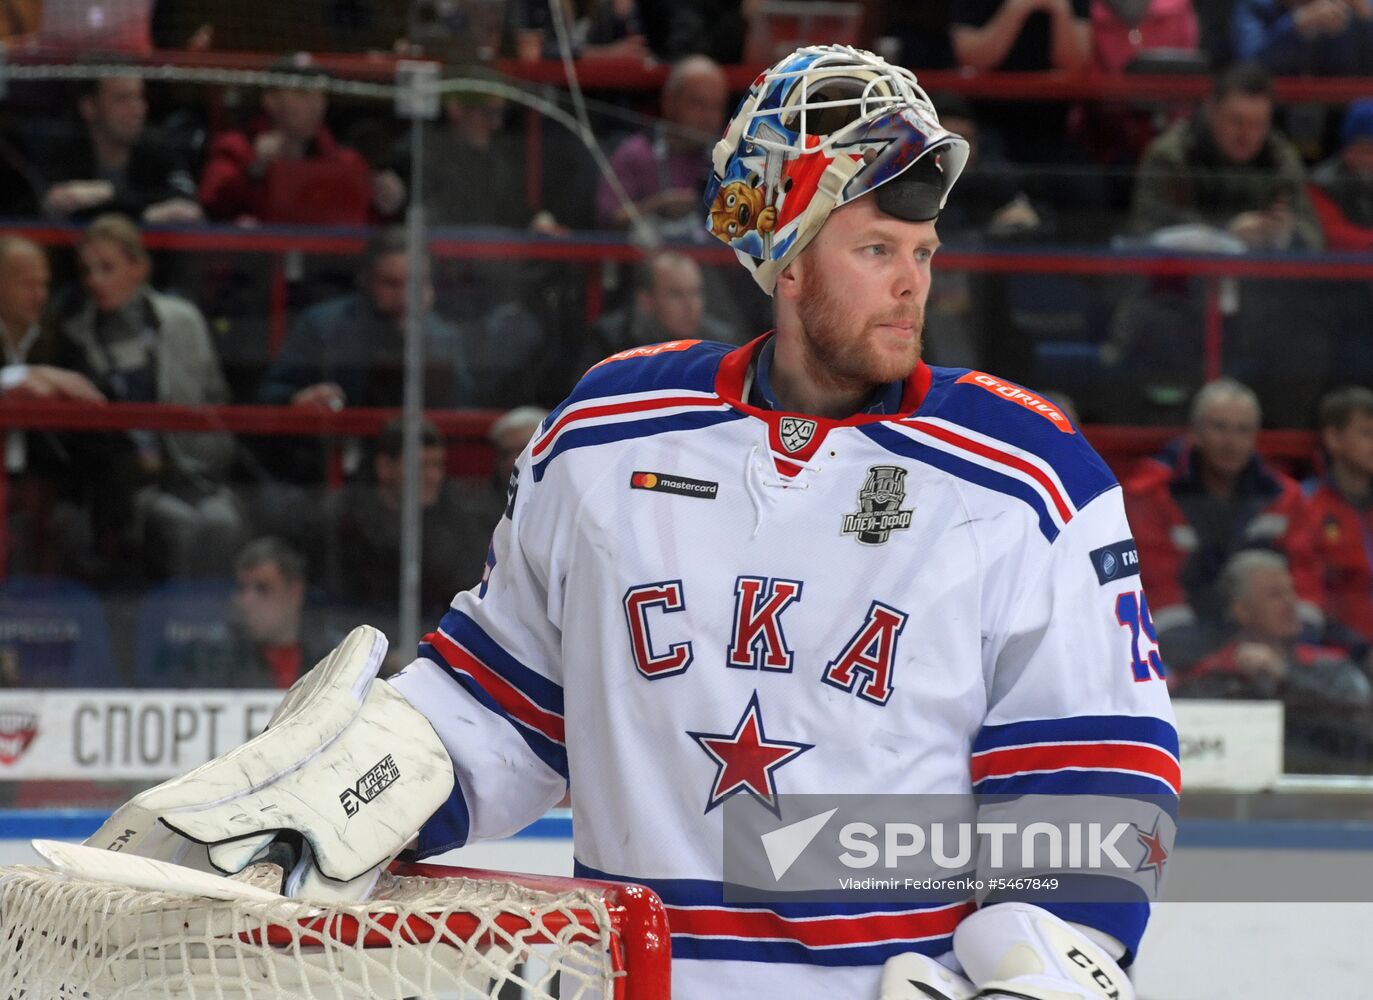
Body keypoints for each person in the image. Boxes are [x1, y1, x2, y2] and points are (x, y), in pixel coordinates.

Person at [88, 47, 1176, 1000]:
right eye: (875, 249)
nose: (911, 284)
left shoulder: (1029, 477)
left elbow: (1096, 776)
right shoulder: (607, 436)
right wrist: (337, 794)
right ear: (786, 260)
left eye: (922, 252)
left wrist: (1037, 962)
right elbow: (498, 703)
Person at [47, 214, 243, 581]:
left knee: (224, 521)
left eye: (107, 268)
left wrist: (207, 461)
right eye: (87, 270)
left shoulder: (183, 321)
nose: (95, 281)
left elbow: (216, 399)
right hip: (126, 482)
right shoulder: (76, 336)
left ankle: (216, 626)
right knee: (176, 523)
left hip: (194, 471)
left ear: (139, 267)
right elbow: (82, 439)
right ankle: (175, 626)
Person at [1123, 378, 1323, 669]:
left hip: (1275, 651)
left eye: (1243, 430)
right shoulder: (1153, 495)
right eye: (1220, 427)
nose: (1231, 442)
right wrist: (1220, 655)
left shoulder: (1285, 498)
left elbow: (1306, 581)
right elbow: (1156, 589)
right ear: (1195, 432)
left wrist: (1289, 645)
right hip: (1180, 654)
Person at [1175, 550, 1373, 770]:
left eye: (1291, 592)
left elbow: (1359, 717)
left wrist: (1286, 677)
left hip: (1325, 789)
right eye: (1274, 594)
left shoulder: (1330, 667)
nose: (1290, 603)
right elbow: (1181, 717)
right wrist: (1237, 677)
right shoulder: (1213, 671)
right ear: (1241, 610)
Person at [312, 418, 493, 631]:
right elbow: (332, 603)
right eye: (420, 466)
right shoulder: (344, 521)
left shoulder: (459, 524)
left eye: (437, 465)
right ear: (384, 467)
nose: (432, 476)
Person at [1129, 61, 1322, 251]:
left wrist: (1288, 235)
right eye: (1237, 122)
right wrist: (1226, 231)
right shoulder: (1170, 156)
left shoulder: (1280, 157)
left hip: (1260, 277)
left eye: (1258, 125)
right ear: (1211, 109)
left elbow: (1314, 237)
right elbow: (1146, 230)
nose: (1246, 136)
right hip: (1186, 274)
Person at [197, 55, 397, 225]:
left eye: (320, 93)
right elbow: (212, 205)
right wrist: (254, 170)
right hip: (256, 264)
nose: (314, 103)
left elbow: (360, 229)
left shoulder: (346, 162)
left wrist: (384, 203)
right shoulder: (237, 149)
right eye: (302, 92)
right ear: (271, 100)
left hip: (324, 267)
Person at [173, 537, 341, 689]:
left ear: (295, 592)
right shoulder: (211, 656)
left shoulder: (335, 656)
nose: (246, 601)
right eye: (241, 588)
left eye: (262, 588)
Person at [37, 75, 203, 225]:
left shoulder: (160, 148)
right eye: (122, 99)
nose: (137, 109)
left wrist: (111, 195)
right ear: (89, 107)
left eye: (139, 97)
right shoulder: (63, 152)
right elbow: (46, 205)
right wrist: (147, 212)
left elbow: (188, 208)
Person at [595, 54, 728, 236]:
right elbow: (607, 220)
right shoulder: (635, 154)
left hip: (710, 261)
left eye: (716, 107)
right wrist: (655, 208)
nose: (709, 118)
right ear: (670, 102)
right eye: (699, 104)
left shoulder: (730, 161)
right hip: (646, 259)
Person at [573, 250, 737, 379]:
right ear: (647, 300)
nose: (690, 305)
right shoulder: (610, 340)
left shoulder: (721, 344)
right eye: (676, 294)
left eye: (695, 293)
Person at [1305, 386, 1373, 642]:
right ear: (1333, 438)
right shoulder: (1306, 505)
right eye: (1367, 433)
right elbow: (1308, 595)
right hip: (1337, 652)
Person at [1233, 0, 1373, 75]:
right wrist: (1295, 24)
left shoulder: (1351, 6)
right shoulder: (1255, 5)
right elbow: (1250, 65)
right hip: (1273, 109)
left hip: (1341, 110)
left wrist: (1366, 20)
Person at [1308, 97, 1373, 251]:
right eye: (1361, 150)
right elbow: (1332, 234)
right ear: (1346, 148)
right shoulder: (1322, 183)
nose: (1367, 159)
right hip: (1342, 269)